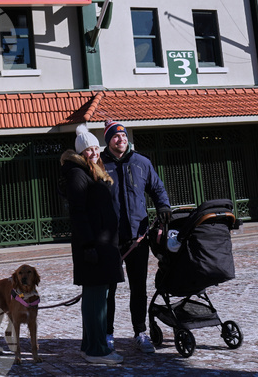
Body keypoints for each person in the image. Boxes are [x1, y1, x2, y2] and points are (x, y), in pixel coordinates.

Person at [101, 120, 171, 354]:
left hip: (137, 237)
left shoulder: (141, 162)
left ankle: (140, 332)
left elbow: (157, 188)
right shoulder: (99, 164)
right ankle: (107, 334)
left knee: (138, 288)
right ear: (108, 141)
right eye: (115, 136)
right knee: (108, 290)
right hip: (110, 239)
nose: (120, 139)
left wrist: (163, 206)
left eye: (123, 135)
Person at [60, 124, 124, 365]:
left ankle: (89, 346)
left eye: (96, 148)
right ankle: (97, 350)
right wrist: (88, 245)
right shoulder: (78, 174)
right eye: (89, 149)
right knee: (96, 299)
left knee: (97, 296)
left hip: (103, 245)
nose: (94, 153)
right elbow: (78, 213)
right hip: (94, 246)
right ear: (80, 152)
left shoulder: (92, 172)